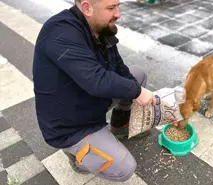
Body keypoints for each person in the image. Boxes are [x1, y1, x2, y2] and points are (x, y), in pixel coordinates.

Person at [32, 0, 161, 182]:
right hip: (70, 123)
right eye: (111, 8)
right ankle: (77, 156)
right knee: (124, 168)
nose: (118, 14)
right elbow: (96, 80)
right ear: (87, 7)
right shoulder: (60, 32)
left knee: (137, 75)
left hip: (90, 98)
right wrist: (138, 93)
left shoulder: (99, 27)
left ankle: (120, 124)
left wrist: (136, 88)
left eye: (118, 5)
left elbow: (119, 67)